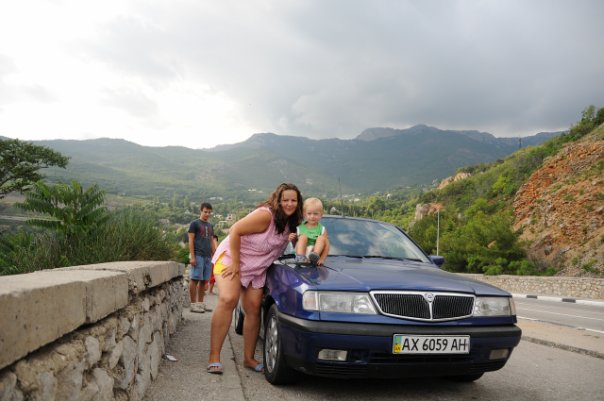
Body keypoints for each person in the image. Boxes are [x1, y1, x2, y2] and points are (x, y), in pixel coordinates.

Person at [206, 183, 303, 374]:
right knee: (228, 298)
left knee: (253, 308)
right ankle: (214, 356)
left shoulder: (292, 224)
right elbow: (235, 230)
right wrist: (236, 263)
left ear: (298, 202)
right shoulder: (266, 215)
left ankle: (248, 359)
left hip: (257, 268)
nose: (289, 204)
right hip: (232, 259)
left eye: (294, 200)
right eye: (285, 200)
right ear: (278, 200)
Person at [188, 202, 218, 313]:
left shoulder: (210, 226)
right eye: (205, 212)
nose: (207, 214)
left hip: (207, 256)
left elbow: (211, 241)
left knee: (204, 280)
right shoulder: (194, 224)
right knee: (195, 279)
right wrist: (192, 257)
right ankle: (193, 304)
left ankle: (200, 304)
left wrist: (215, 255)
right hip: (198, 255)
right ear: (200, 211)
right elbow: (191, 240)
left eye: (209, 212)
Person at [295, 197, 329, 266]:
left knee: (321, 238)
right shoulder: (299, 228)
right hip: (302, 253)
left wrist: (322, 259)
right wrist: (292, 238)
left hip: (316, 253)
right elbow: (295, 244)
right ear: (304, 214)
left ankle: (314, 255)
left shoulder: (322, 229)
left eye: (315, 214)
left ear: (321, 214)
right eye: (309, 213)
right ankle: (300, 257)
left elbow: (327, 246)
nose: (312, 216)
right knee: (303, 237)